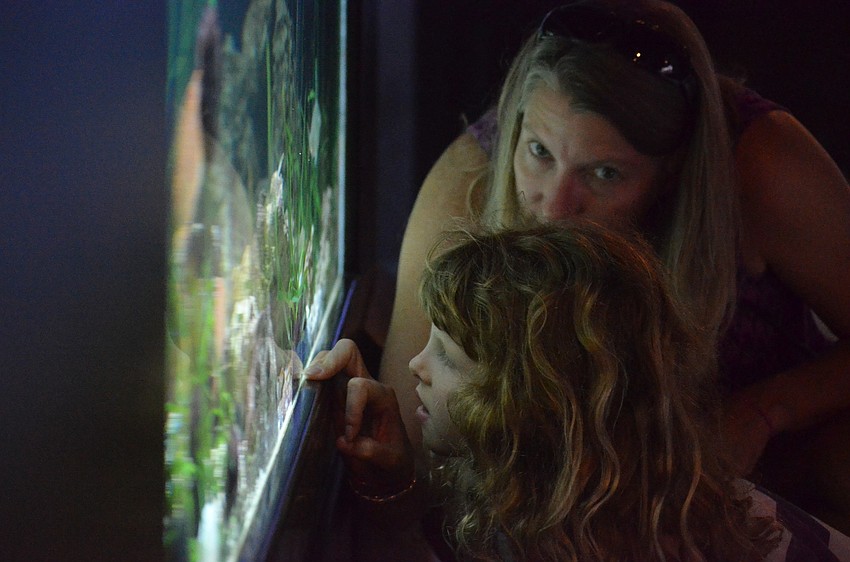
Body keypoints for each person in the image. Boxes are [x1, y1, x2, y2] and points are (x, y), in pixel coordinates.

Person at [380, 0, 850, 531]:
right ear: (516, 123)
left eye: (604, 173)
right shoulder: (468, 183)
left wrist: (765, 412)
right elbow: (406, 438)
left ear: (673, 172)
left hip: (772, 468)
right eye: (538, 151)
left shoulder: (758, 164)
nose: (555, 208)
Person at [307, 223, 850, 561]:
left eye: (447, 355)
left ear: (530, 406)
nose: (414, 365)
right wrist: (391, 483)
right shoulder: (579, 505)